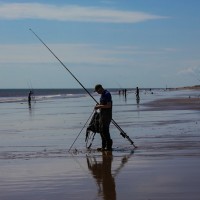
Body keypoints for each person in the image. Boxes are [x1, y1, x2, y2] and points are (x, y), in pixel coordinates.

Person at [94, 84, 113, 151]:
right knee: (101, 131)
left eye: (97, 91)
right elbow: (103, 105)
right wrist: (99, 105)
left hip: (107, 115)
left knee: (105, 131)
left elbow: (108, 105)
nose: (97, 92)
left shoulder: (107, 94)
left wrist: (99, 106)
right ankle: (103, 147)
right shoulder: (102, 94)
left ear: (100, 88)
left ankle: (109, 146)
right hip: (102, 115)